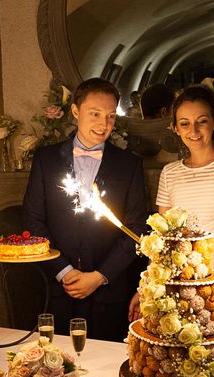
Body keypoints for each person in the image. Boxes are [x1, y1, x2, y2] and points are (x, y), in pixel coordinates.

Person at [128, 86, 214, 358]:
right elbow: (161, 241)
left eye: (202, 121)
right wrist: (146, 287)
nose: (194, 130)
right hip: (177, 277)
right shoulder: (169, 173)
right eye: (185, 123)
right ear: (175, 128)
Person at [23, 78, 147, 342]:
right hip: (56, 288)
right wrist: (63, 270)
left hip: (110, 292)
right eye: (95, 114)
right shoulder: (46, 159)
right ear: (76, 111)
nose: (103, 125)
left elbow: (136, 228)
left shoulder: (130, 165)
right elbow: (33, 220)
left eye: (111, 116)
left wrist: (100, 276)